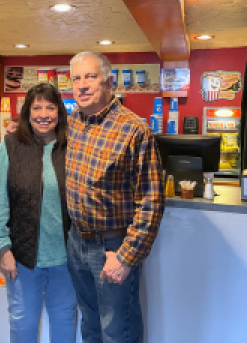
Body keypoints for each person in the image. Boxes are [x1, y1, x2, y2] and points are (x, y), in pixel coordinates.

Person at [66, 52, 165, 343]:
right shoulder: (73, 122)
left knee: (117, 331)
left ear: (109, 81)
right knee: (90, 324)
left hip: (112, 248)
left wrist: (126, 257)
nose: (82, 85)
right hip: (76, 242)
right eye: (76, 78)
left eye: (90, 77)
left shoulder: (134, 130)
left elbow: (151, 202)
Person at [0, 83, 77, 343]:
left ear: (59, 112)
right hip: (24, 258)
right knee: (23, 323)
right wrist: (2, 249)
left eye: (50, 107)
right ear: (27, 112)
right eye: (37, 107)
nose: (43, 114)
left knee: (64, 320)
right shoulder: (11, 146)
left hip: (66, 259)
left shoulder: (71, 146)